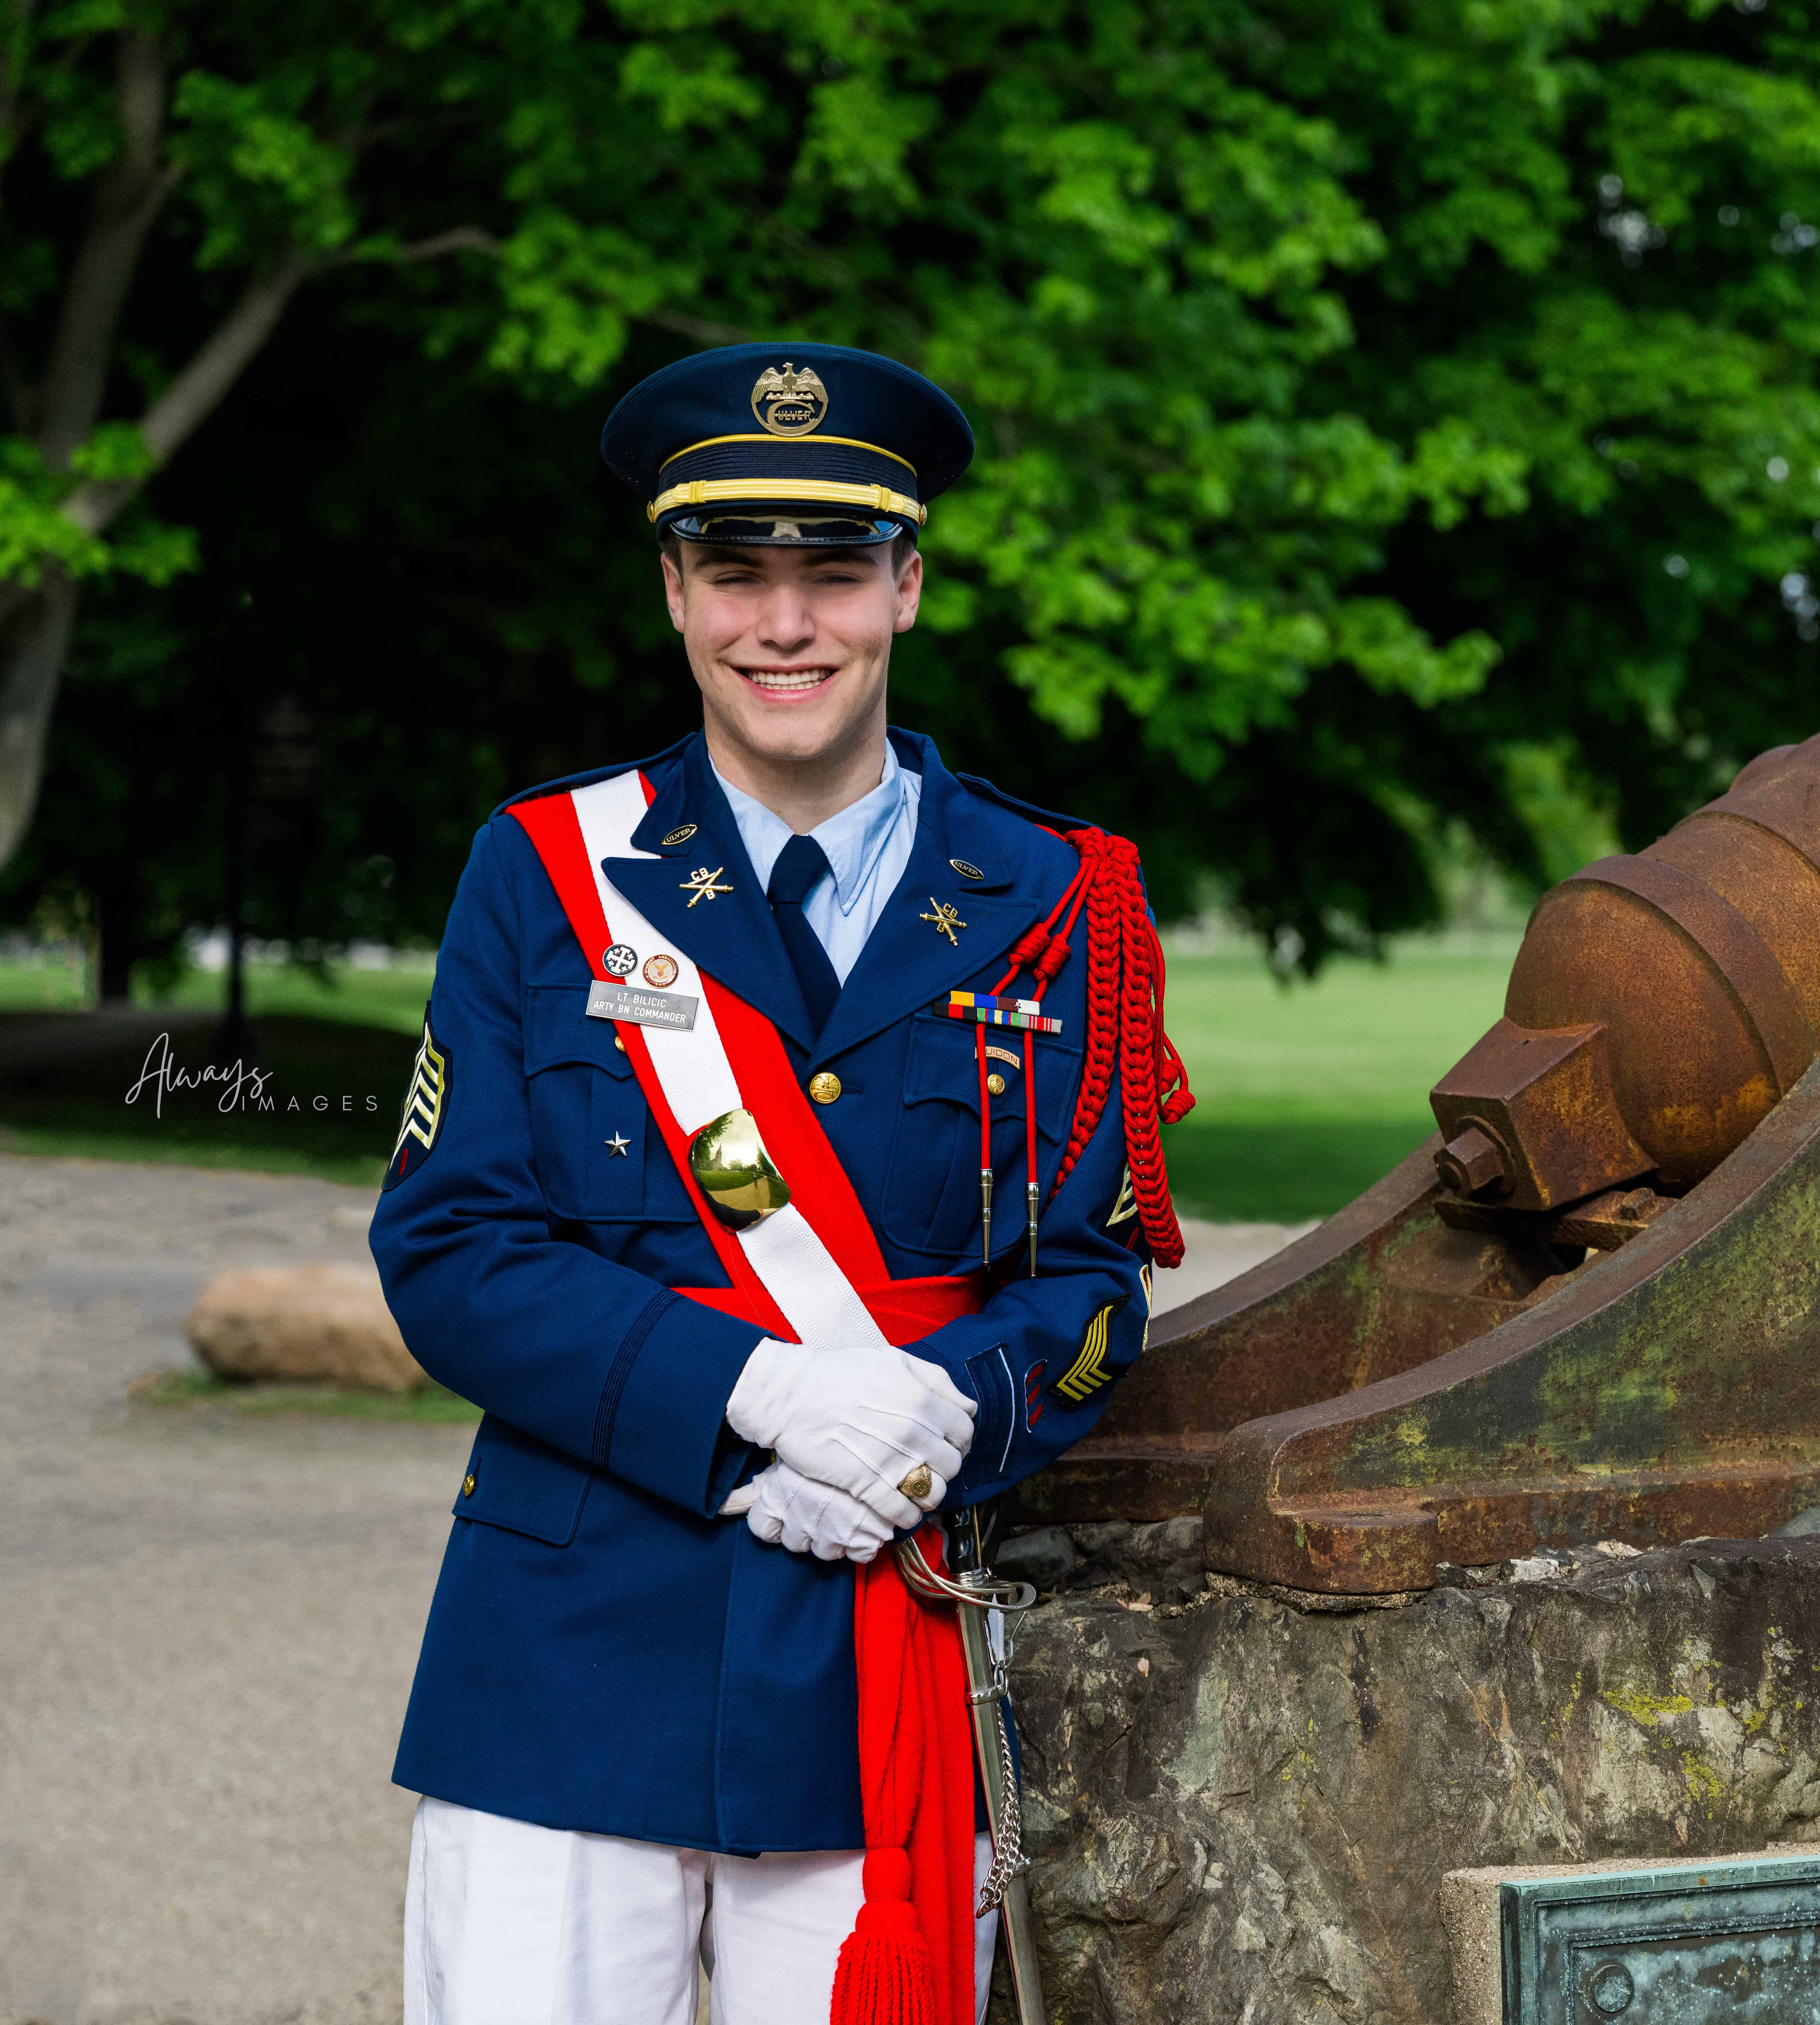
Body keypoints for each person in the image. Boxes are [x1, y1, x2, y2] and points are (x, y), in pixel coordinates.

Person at [372, 341, 1188, 2023]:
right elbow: (451, 1246)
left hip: (871, 1667)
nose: (784, 623)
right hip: (569, 1660)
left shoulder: (1057, 900)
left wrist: (937, 1418)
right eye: (735, 572)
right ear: (675, 592)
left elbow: (1093, 1288)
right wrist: (757, 1391)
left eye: (832, 571)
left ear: (908, 581)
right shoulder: (544, 870)